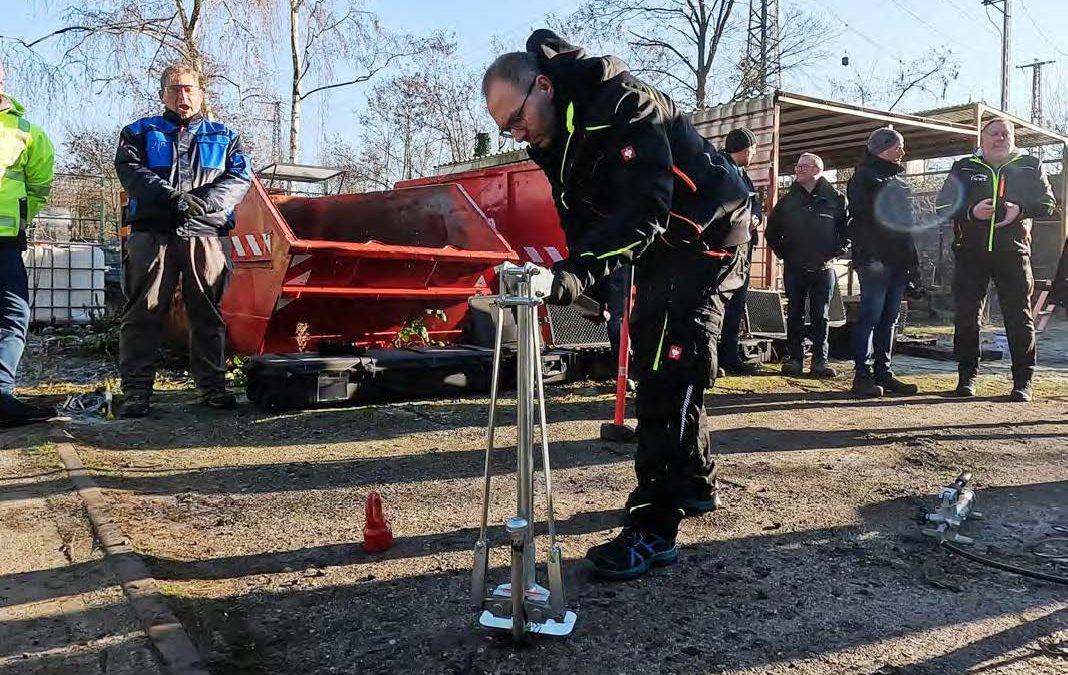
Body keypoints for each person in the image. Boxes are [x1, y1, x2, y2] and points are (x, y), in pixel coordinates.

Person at [482, 30, 751, 580]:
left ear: (544, 86)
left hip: (708, 235)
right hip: (662, 246)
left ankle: (655, 525)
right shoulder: (552, 141)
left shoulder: (626, 104)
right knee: (664, 356)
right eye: (504, 129)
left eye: (515, 118)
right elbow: (582, 222)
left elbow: (647, 209)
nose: (515, 134)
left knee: (667, 367)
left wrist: (577, 274)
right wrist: (599, 291)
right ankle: (694, 483)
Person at [114, 64, 251, 418]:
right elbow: (131, 171)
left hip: (206, 233)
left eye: (189, 89)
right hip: (153, 233)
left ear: (202, 94)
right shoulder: (139, 132)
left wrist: (205, 202)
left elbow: (239, 177)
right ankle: (137, 392)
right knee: (143, 311)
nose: (183, 96)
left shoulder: (225, 136)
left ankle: (213, 387)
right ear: (162, 94)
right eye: (175, 89)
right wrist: (170, 197)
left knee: (207, 311)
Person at [934, 118, 1056, 402]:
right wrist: (971, 211)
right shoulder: (964, 166)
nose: (1000, 138)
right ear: (982, 137)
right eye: (994, 133)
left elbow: (1049, 204)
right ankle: (967, 377)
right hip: (970, 251)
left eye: (1006, 134)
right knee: (966, 315)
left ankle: (1023, 382)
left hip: (1013, 252)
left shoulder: (1029, 165)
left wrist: (1020, 209)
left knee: (1018, 317)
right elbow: (943, 205)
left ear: (1013, 138)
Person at [846, 127, 921, 398]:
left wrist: (913, 264)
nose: (903, 151)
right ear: (882, 147)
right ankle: (861, 375)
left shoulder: (900, 181)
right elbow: (861, 218)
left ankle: (883, 372)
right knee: (870, 316)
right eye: (898, 146)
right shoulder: (862, 177)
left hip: (898, 261)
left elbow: (907, 226)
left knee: (890, 319)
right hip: (875, 260)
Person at [0, 63, 56, 426]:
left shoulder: (27, 133)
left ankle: (0, 396)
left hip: (4, 241)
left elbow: (39, 186)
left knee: (12, 317)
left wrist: (19, 218)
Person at [765, 152, 848, 378]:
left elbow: (847, 232)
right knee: (794, 313)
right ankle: (794, 359)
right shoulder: (787, 201)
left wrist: (833, 254)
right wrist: (785, 254)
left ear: (816, 170)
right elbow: (771, 232)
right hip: (795, 267)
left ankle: (820, 361)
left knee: (821, 315)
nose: (797, 170)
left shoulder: (836, 199)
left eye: (803, 167)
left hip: (824, 267)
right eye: (797, 167)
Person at [718, 127, 763, 375]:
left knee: (736, 304)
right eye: (754, 150)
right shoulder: (720, 170)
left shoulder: (744, 175)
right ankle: (710, 357)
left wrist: (756, 217)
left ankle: (730, 355)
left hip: (744, 251)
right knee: (716, 306)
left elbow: (755, 205)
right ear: (746, 150)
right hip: (724, 251)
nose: (754, 155)